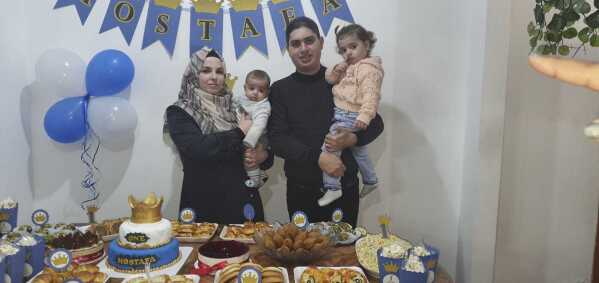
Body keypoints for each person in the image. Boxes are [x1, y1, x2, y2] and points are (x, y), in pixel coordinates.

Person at [267, 17, 384, 227]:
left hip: (344, 191)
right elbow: (277, 140)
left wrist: (353, 138)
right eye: (295, 44)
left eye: (309, 41)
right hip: (300, 192)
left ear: (321, 42)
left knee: (343, 257)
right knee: (301, 256)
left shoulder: (344, 77)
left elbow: (376, 123)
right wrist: (319, 158)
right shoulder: (280, 89)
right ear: (289, 49)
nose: (303, 48)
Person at [164, 47, 272, 224]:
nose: (214, 77)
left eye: (220, 71)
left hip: (243, 200)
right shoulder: (179, 111)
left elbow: (263, 143)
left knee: (249, 250)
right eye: (206, 70)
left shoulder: (237, 105)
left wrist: (264, 155)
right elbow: (198, 148)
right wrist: (240, 132)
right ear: (193, 74)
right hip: (205, 202)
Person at [318, 24, 384, 206]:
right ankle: (371, 180)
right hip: (345, 113)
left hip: (349, 116)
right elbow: (329, 80)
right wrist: (337, 70)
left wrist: (364, 117)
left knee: (330, 146)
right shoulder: (350, 66)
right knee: (360, 152)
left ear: (367, 44)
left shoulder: (368, 70)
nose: (348, 53)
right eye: (343, 50)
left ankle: (333, 188)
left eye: (353, 47)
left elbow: (372, 96)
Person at [238, 70, 271, 188]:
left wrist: (249, 141)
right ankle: (260, 174)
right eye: (252, 88)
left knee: (249, 158)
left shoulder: (263, 106)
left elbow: (259, 125)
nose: (255, 93)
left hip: (258, 138)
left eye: (261, 90)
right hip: (246, 135)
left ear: (267, 92)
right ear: (245, 88)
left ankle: (255, 180)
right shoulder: (243, 99)